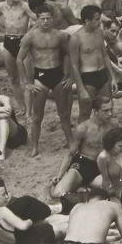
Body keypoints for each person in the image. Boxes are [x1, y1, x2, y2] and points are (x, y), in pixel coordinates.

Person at [18, 8, 73, 156]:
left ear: (52, 19)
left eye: (48, 18)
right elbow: (19, 59)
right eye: (42, 18)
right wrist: (26, 83)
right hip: (40, 75)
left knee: (64, 113)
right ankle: (35, 146)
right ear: (37, 19)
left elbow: (69, 54)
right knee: (37, 116)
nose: (45, 21)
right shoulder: (30, 37)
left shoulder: (59, 35)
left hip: (57, 74)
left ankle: (70, 141)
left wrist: (70, 76)